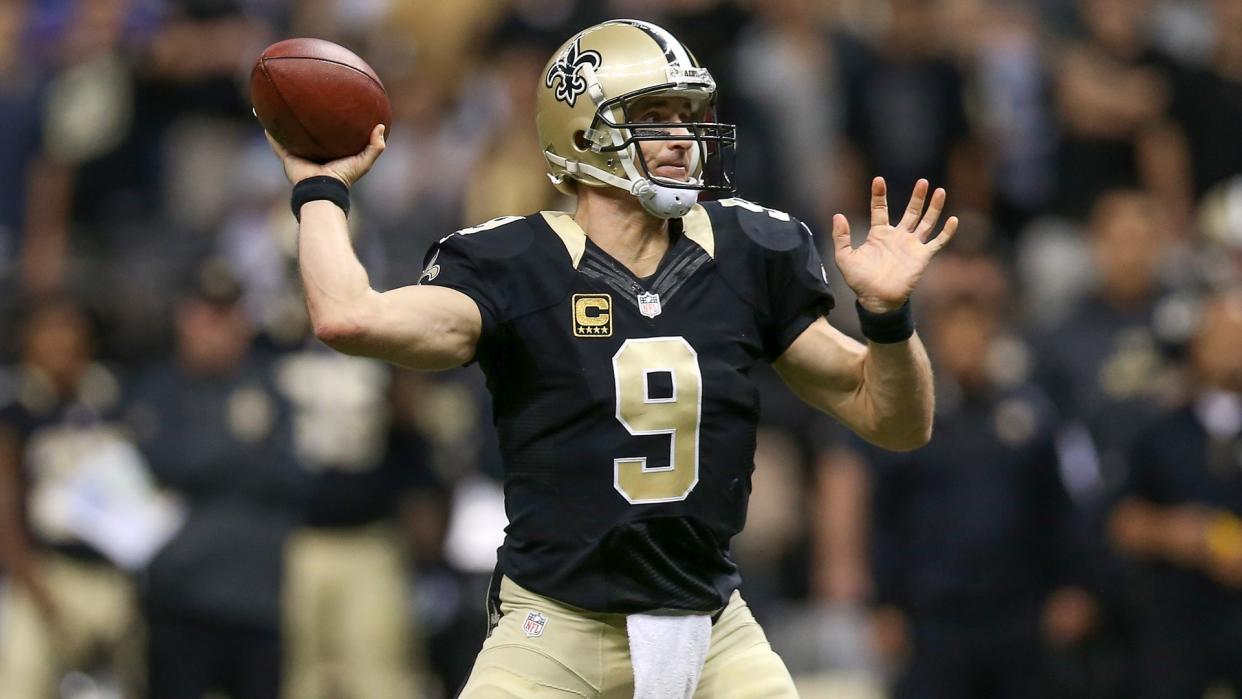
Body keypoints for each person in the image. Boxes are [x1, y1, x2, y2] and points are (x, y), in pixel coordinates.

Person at [264, 19, 957, 698]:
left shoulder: (746, 250)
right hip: (555, 630)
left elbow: (895, 420)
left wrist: (889, 320)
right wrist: (322, 186)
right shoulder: (516, 264)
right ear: (582, 131)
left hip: (712, 626)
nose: (682, 139)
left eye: (687, 116)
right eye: (654, 116)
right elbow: (346, 315)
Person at [1108, 288, 1242, 698]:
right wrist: (1177, 533)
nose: (1230, 349)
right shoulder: (1160, 433)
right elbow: (1121, 523)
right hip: (1180, 624)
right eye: (1219, 336)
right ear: (1196, 346)